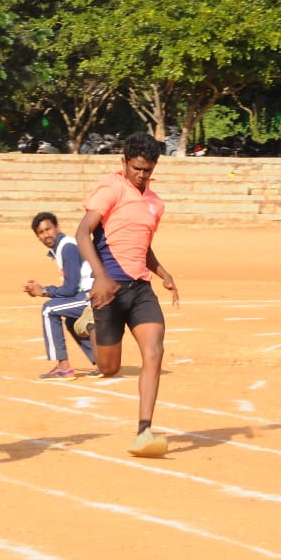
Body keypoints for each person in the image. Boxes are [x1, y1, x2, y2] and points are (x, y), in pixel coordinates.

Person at [75, 132, 179, 458]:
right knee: (109, 368)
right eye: (137, 168)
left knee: (154, 350)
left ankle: (144, 430)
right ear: (124, 162)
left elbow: (142, 246)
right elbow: (82, 233)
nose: (142, 175)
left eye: (148, 170)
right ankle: (90, 325)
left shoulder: (155, 204)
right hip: (109, 290)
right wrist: (101, 277)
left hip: (140, 289)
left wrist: (163, 273)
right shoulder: (112, 188)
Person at [23, 211, 97, 379]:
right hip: (87, 295)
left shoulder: (67, 247)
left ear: (57, 227)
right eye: (41, 233)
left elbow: (70, 289)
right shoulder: (61, 247)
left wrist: (44, 291)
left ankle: (63, 367)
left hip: (90, 296)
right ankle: (101, 360)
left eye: (48, 229)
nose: (45, 235)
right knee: (71, 320)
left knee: (49, 309)